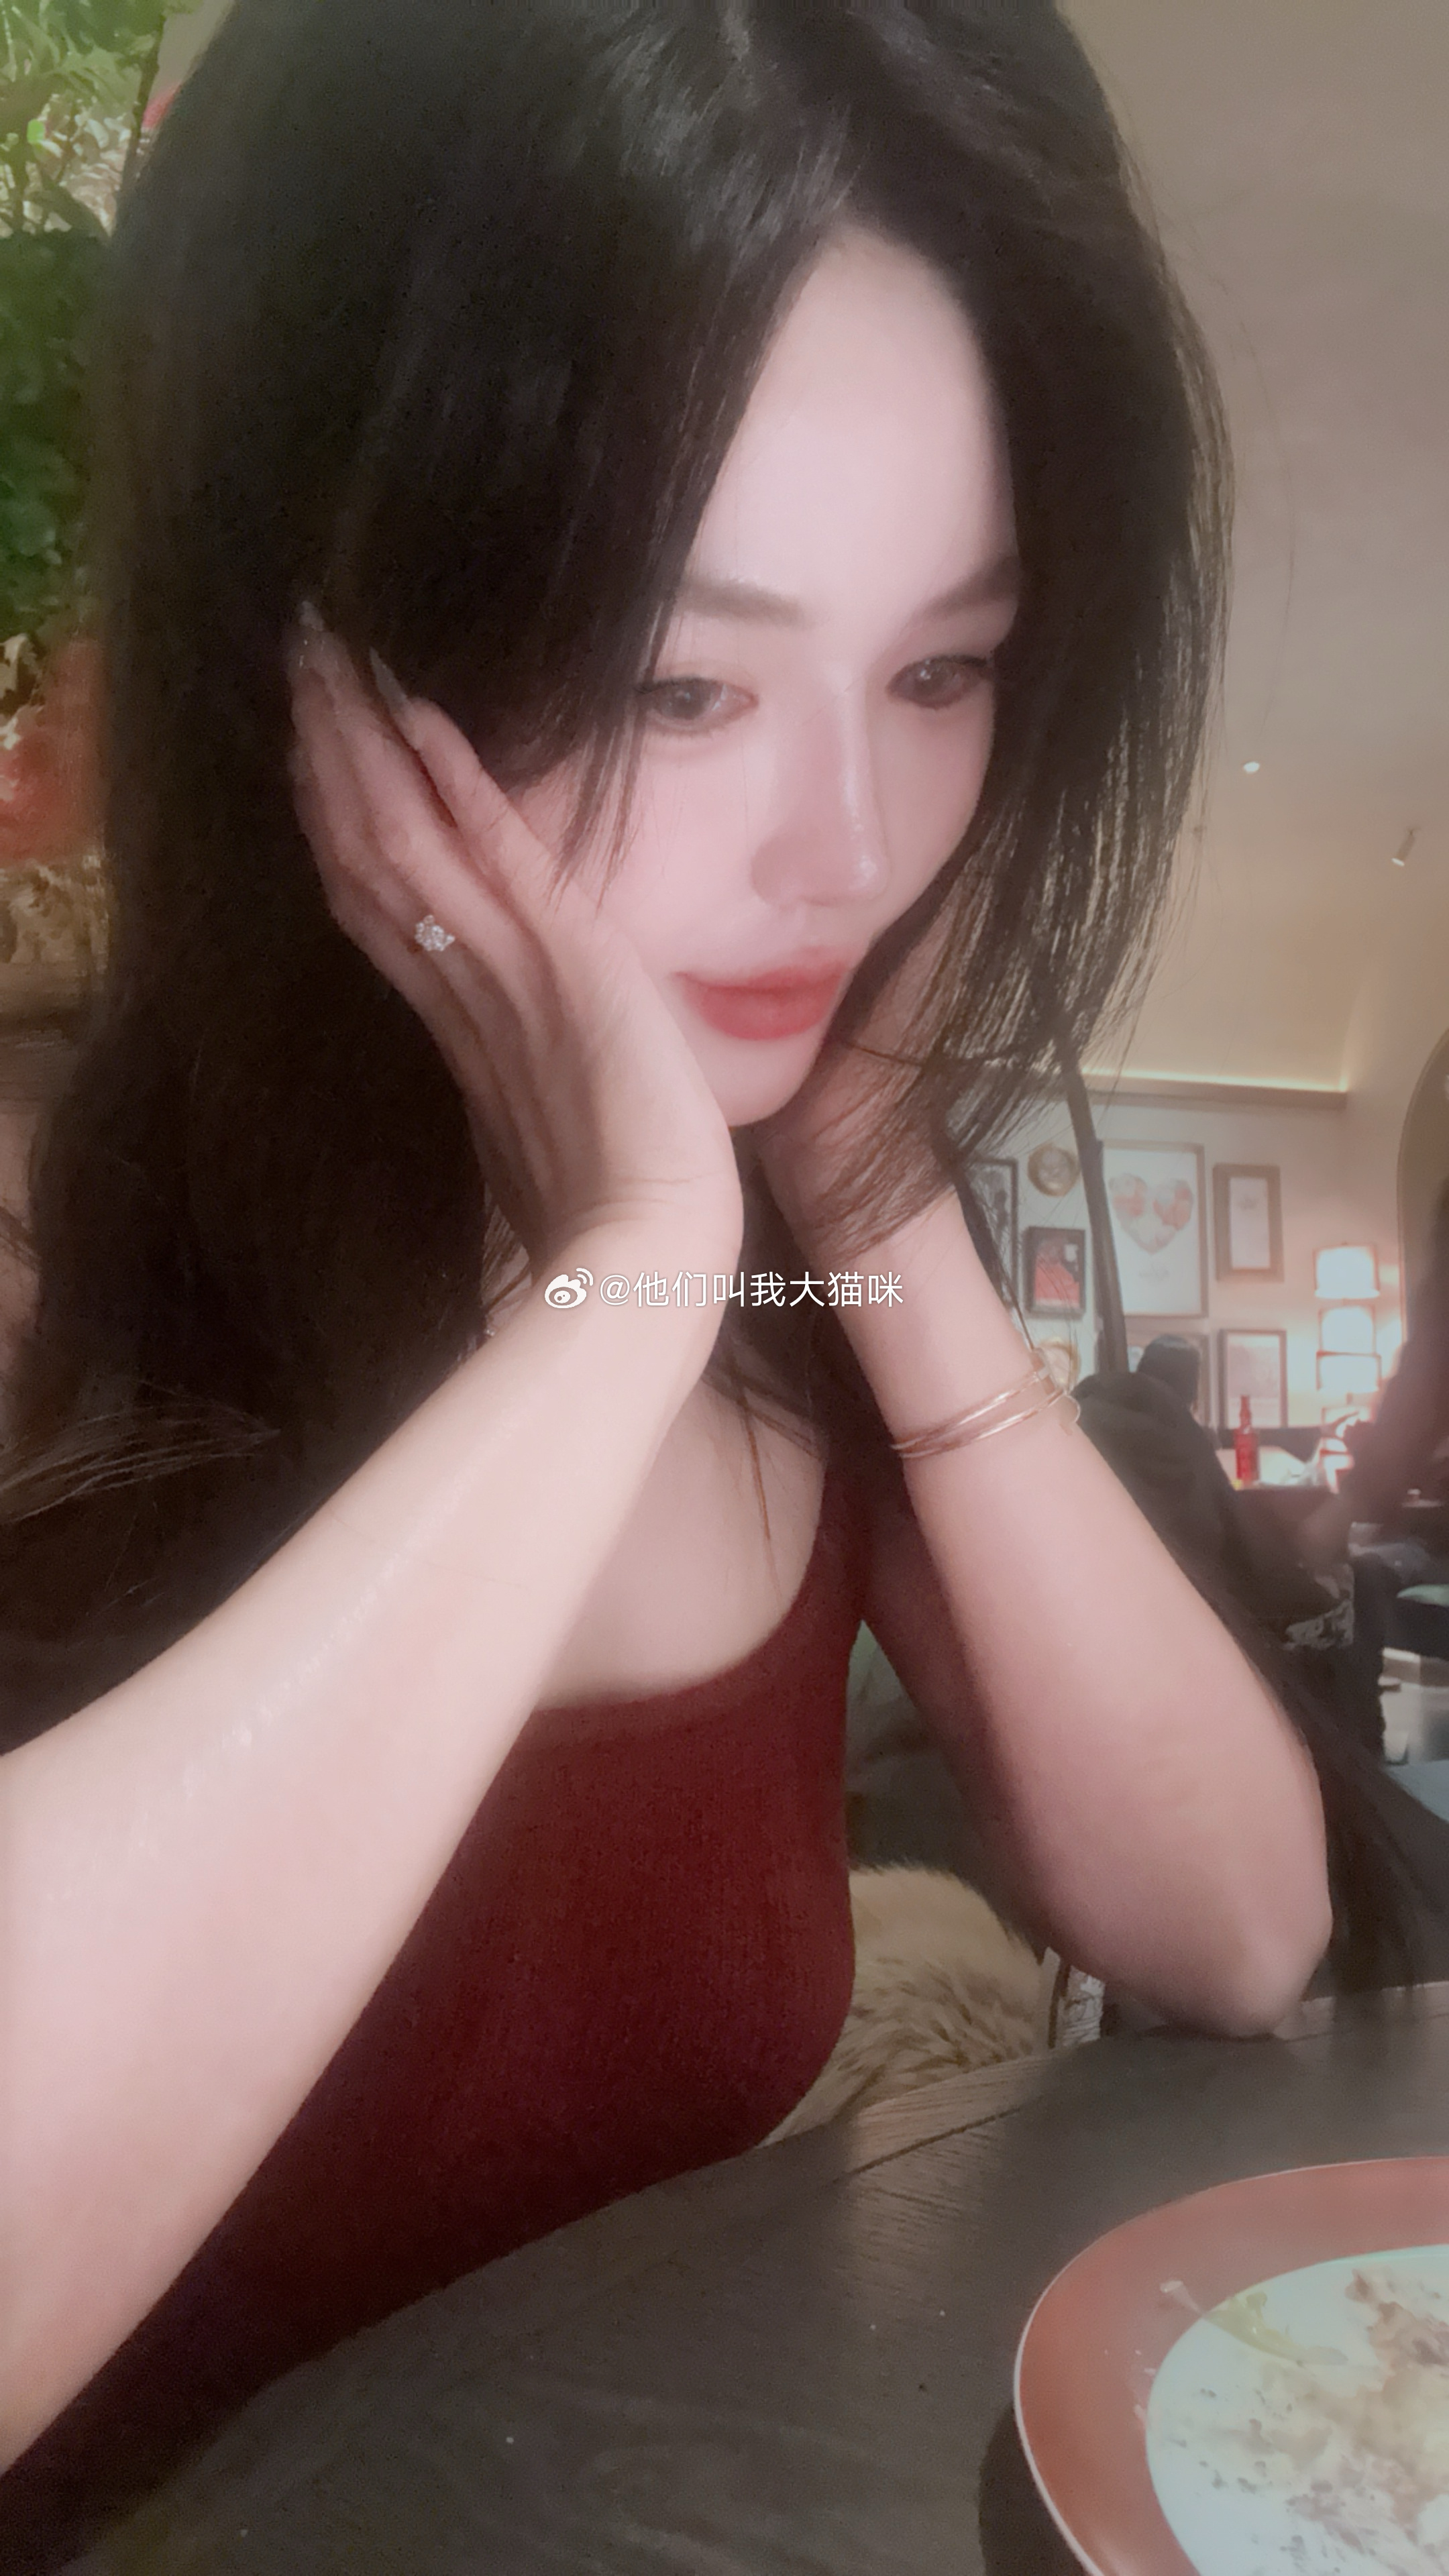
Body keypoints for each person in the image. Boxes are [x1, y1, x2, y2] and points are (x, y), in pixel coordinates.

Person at [0, 1, 1425, 2555]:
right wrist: (621, 1291)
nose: (850, 848)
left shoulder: (810, 1267)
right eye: (680, 680)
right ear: (305, 653)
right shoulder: (45, 1245)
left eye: (945, 670)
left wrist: (867, 1210)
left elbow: (1237, 1929)